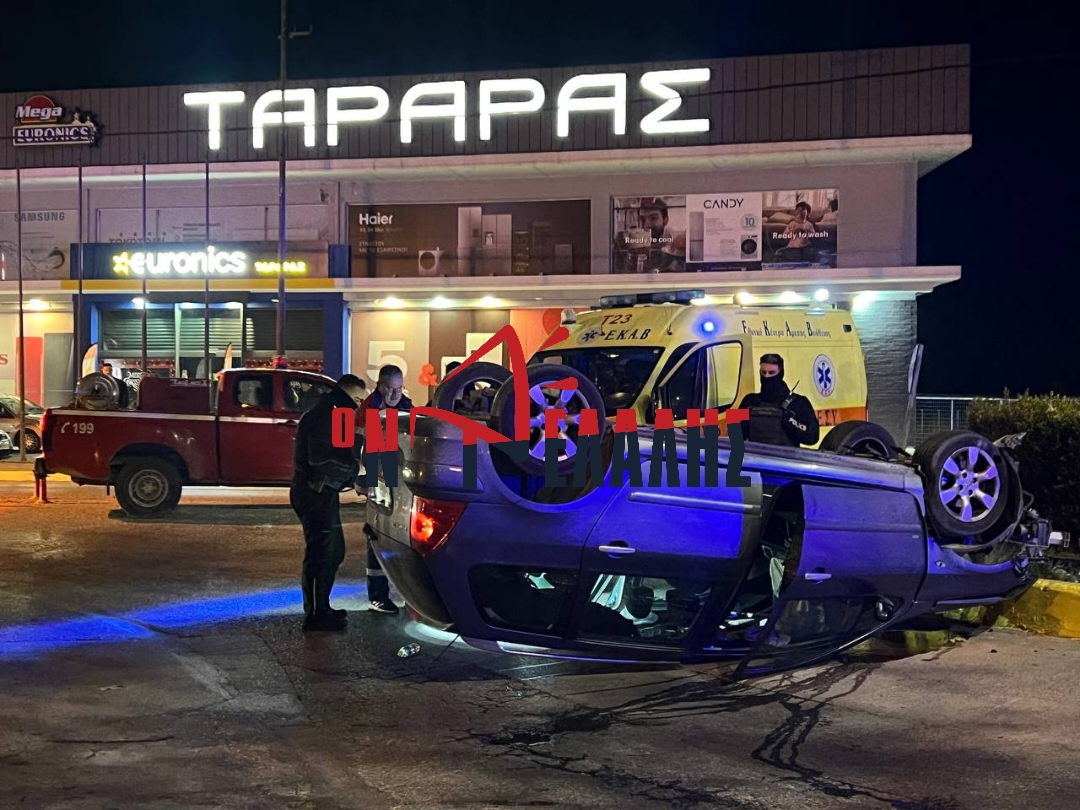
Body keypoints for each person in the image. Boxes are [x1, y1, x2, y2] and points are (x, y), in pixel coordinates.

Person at [291, 373, 367, 632]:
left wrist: (352, 474)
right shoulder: (326, 416)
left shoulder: (334, 413)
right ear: (348, 396)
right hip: (314, 494)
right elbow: (321, 460)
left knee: (333, 552)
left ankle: (321, 608)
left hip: (322, 492)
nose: (360, 405)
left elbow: (340, 453)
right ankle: (316, 614)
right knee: (322, 554)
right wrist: (355, 471)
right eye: (358, 400)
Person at [359, 364, 414, 615]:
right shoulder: (367, 410)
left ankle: (408, 595)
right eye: (390, 389)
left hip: (400, 483)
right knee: (377, 536)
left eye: (399, 389)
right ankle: (378, 596)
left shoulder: (407, 408)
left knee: (402, 537)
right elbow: (360, 449)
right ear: (380, 386)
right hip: (378, 481)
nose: (395, 394)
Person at [738, 354, 820, 447]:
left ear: (781, 373)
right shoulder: (750, 400)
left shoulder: (798, 403)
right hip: (756, 455)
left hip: (785, 456)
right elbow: (732, 428)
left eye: (771, 372)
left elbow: (813, 436)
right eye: (763, 372)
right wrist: (748, 419)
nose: (766, 376)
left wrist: (790, 422)